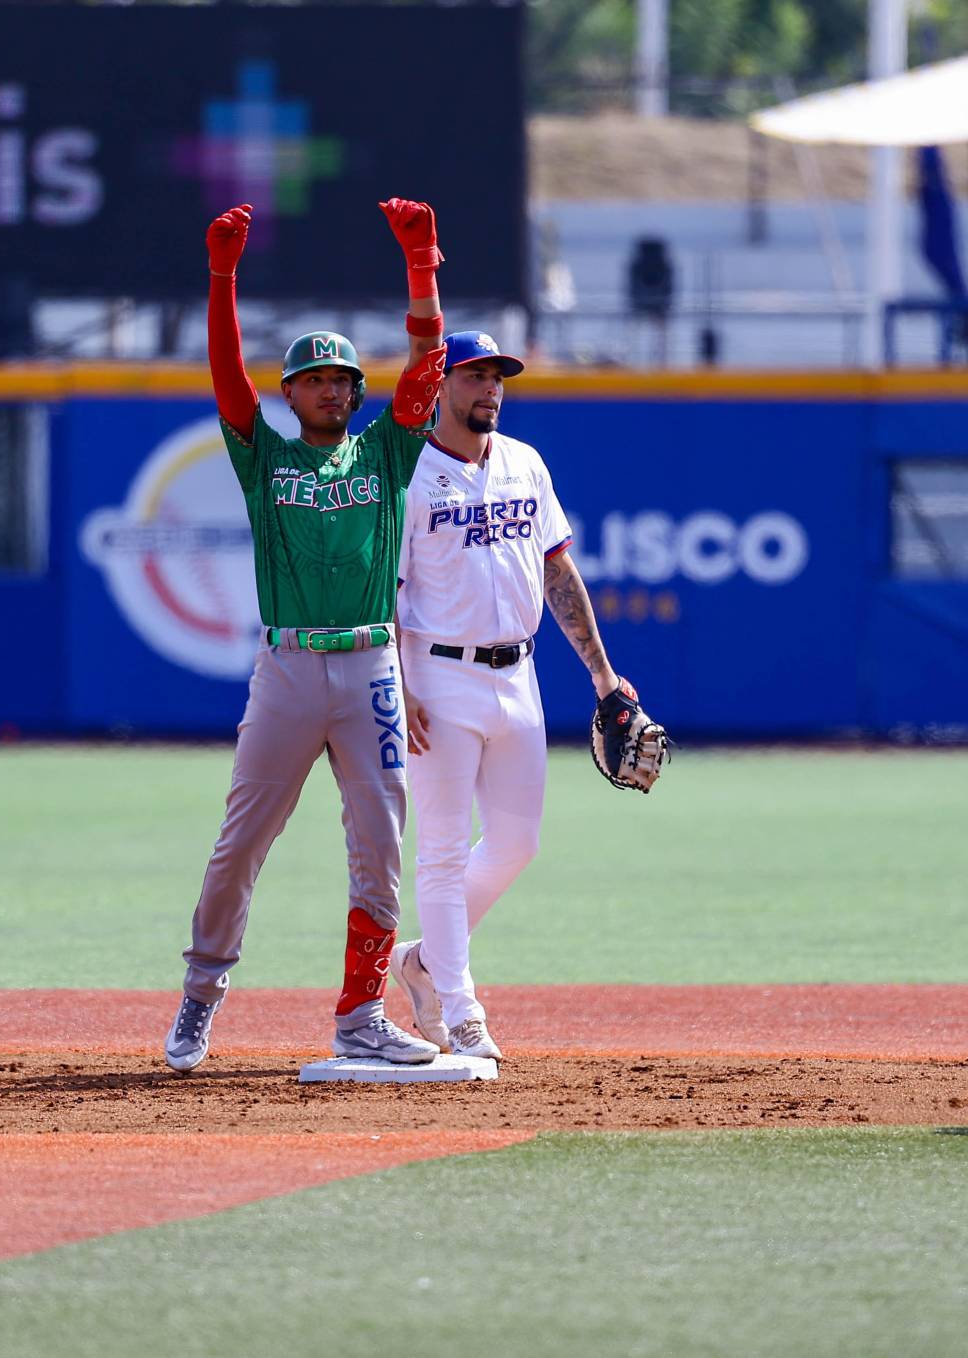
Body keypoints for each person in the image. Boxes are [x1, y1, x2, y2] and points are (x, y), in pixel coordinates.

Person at [162, 198, 449, 1072]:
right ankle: (200, 995)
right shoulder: (265, 457)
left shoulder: (386, 453)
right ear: (290, 394)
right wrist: (221, 277)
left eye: (342, 379)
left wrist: (422, 267)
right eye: (314, 379)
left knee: (381, 843)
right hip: (288, 666)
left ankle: (361, 1012)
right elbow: (223, 376)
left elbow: (431, 363)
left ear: (357, 393)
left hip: (368, 666)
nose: (330, 387)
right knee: (242, 840)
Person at [386, 331, 645, 1060]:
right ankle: (462, 1010)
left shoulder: (526, 464)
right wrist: (398, 688)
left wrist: (602, 675)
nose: (489, 388)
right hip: (436, 675)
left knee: (517, 843)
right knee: (438, 852)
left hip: (516, 674)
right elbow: (385, 595)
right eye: (473, 375)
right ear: (438, 386)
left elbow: (559, 574)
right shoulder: (409, 474)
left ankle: (423, 964)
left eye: (498, 376)